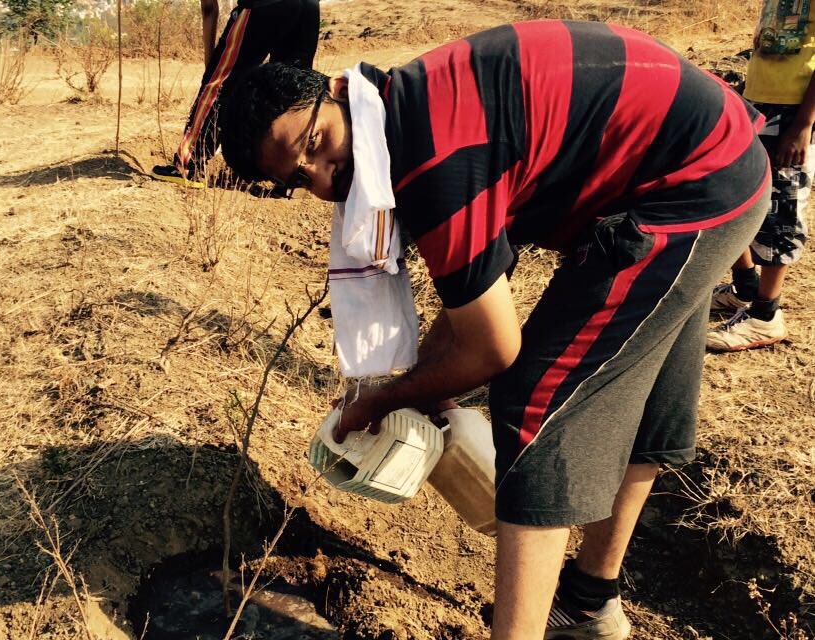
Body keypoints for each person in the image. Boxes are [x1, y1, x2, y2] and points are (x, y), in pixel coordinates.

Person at [219, 21, 770, 639]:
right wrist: (422, 386)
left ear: (337, 89)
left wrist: (392, 395)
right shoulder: (405, 103)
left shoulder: (433, 163)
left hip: (691, 183)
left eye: (316, 142)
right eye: (299, 177)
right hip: (702, 153)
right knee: (638, 369)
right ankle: (588, 604)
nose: (324, 176)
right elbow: (472, 316)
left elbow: (493, 348)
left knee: (537, 397)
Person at [706, 0, 814, 351]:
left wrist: (803, 124)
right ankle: (744, 287)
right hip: (758, 103)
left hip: (794, 110)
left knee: (781, 207)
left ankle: (766, 315)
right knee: (740, 194)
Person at [150, 0, 320, 189]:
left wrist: (213, 69)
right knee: (292, 92)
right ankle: (291, 180)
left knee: (220, 85)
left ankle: (189, 165)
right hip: (309, 7)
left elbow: (209, 8)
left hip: (262, 6)